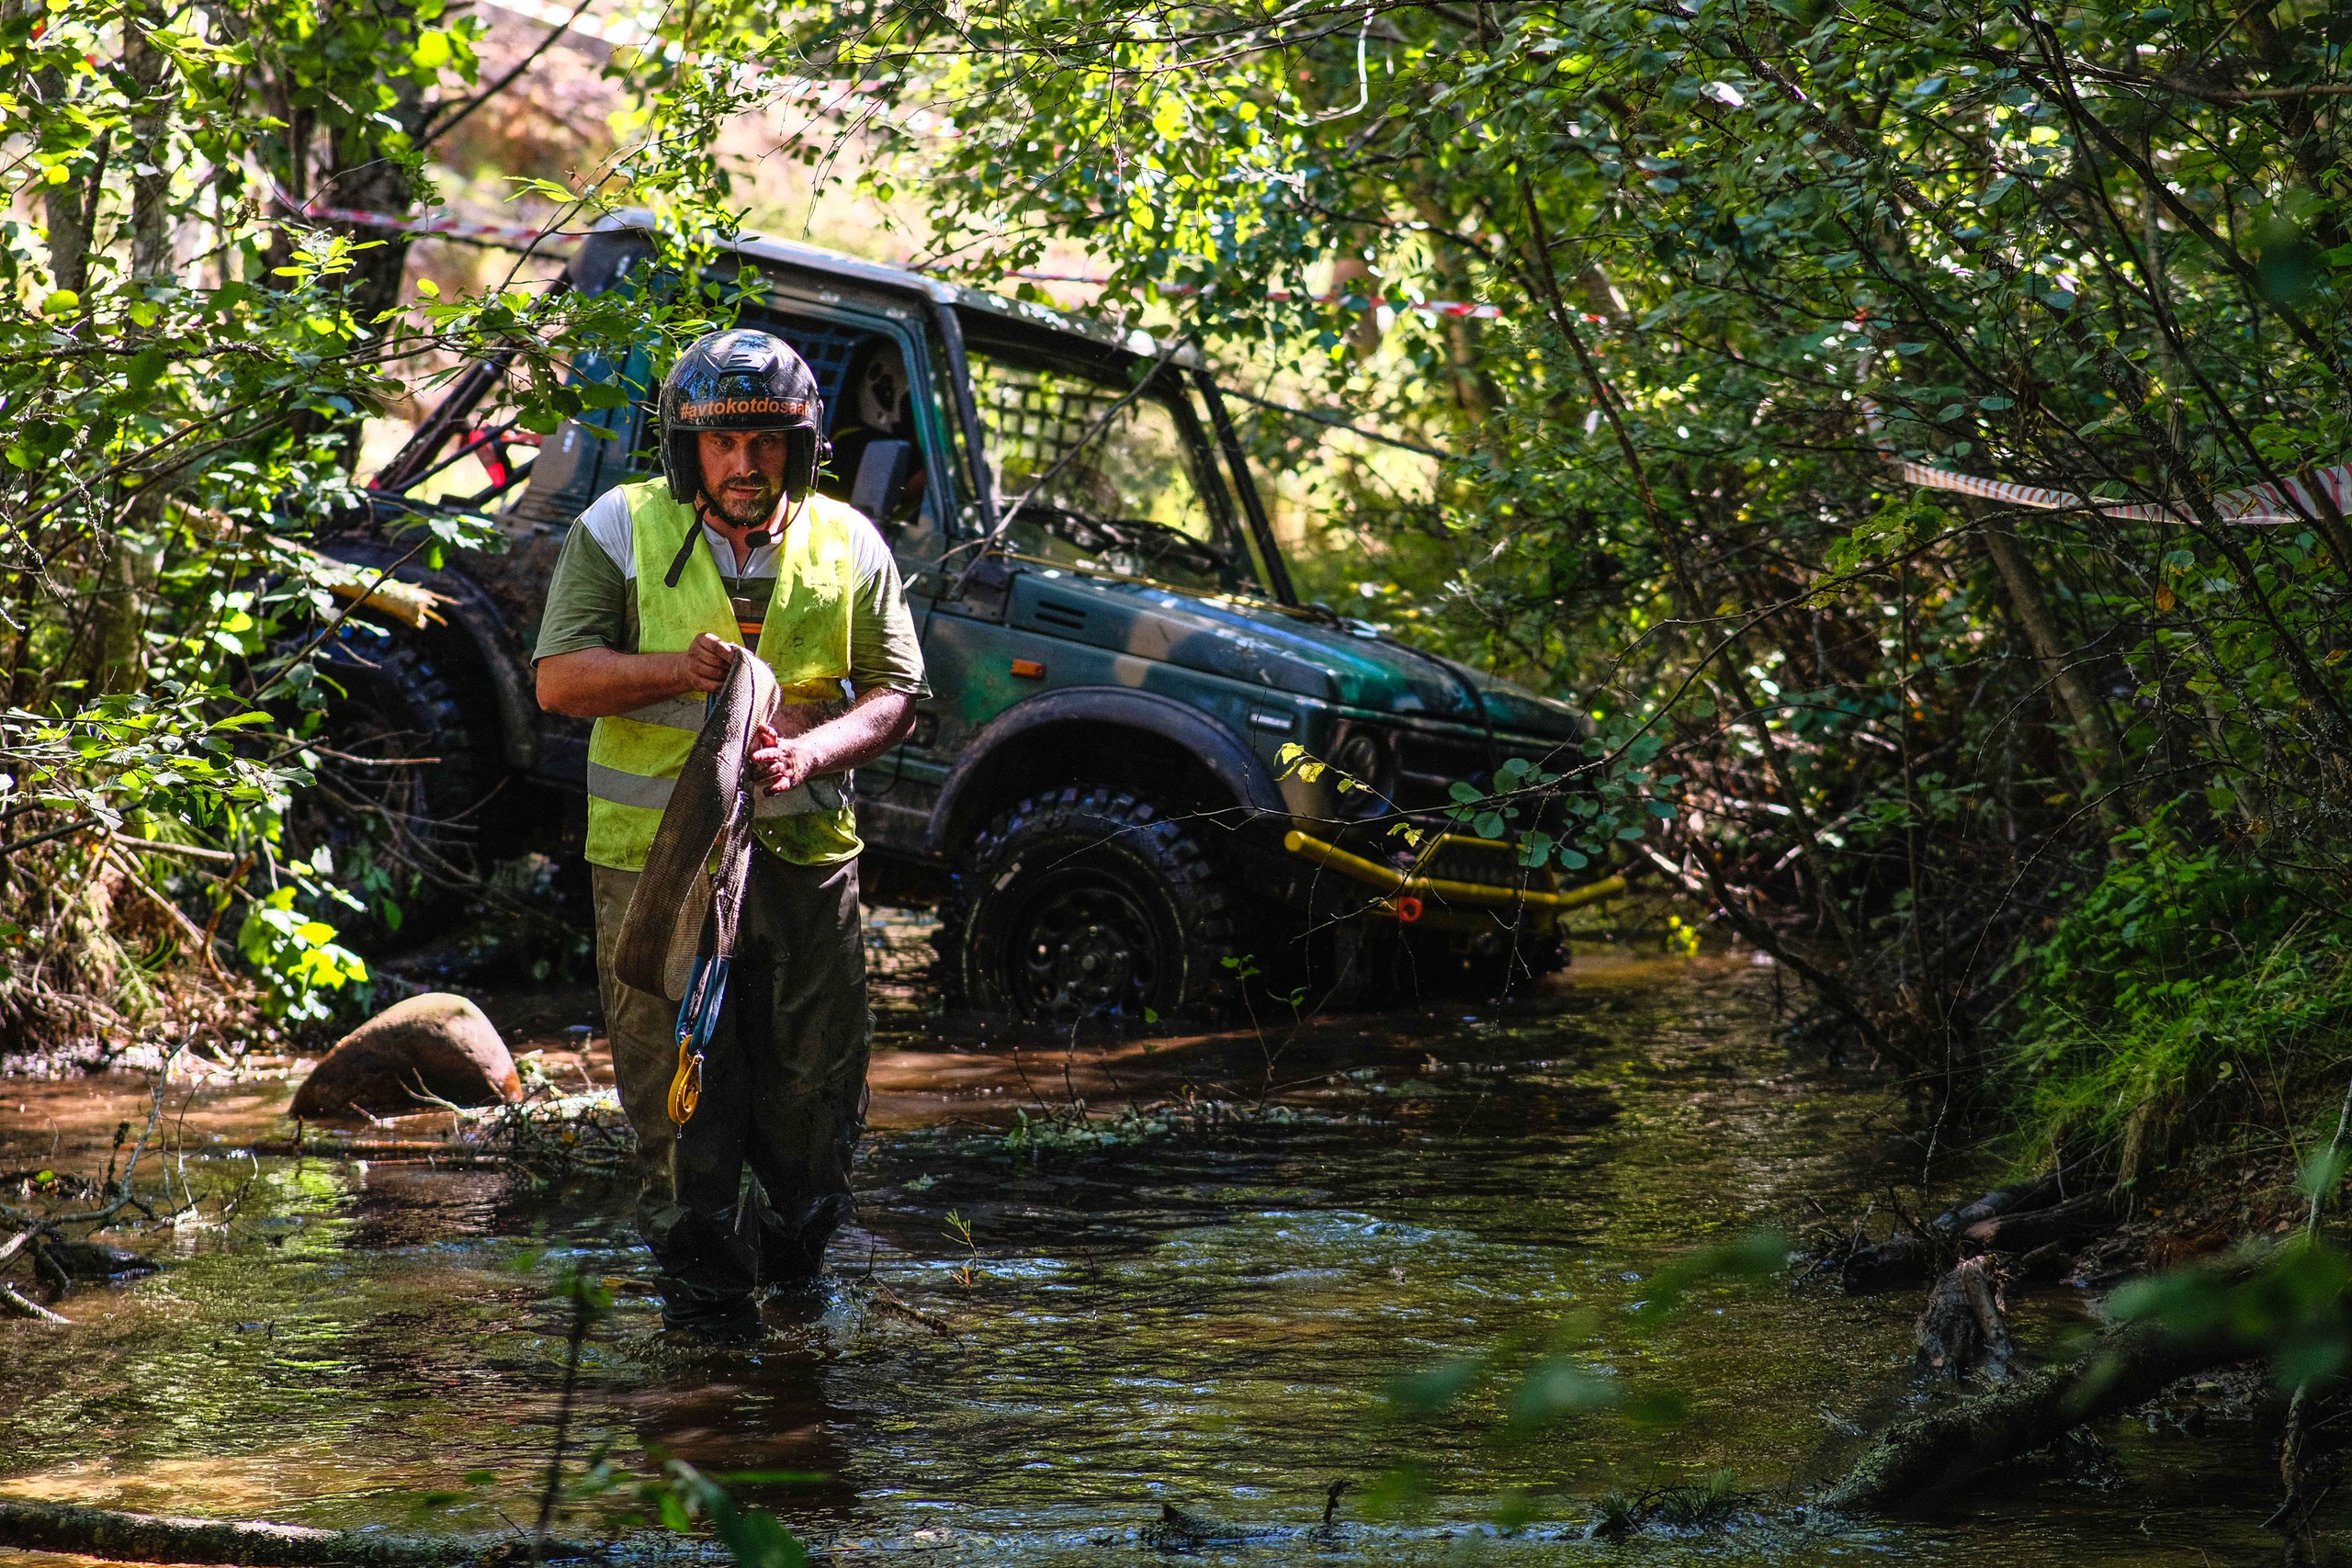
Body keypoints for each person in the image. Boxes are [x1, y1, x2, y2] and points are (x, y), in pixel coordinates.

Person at [533, 328, 929, 1342]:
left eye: (764, 442)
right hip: (653, 876)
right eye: (721, 444)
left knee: (813, 1101)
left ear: (798, 445)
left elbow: (896, 698)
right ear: (686, 450)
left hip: (804, 868)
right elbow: (560, 679)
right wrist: (675, 669)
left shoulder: (851, 543)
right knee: (680, 1111)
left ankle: (798, 1307)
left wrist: (813, 752)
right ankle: (702, 1336)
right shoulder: (617, 529)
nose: (744, 464)